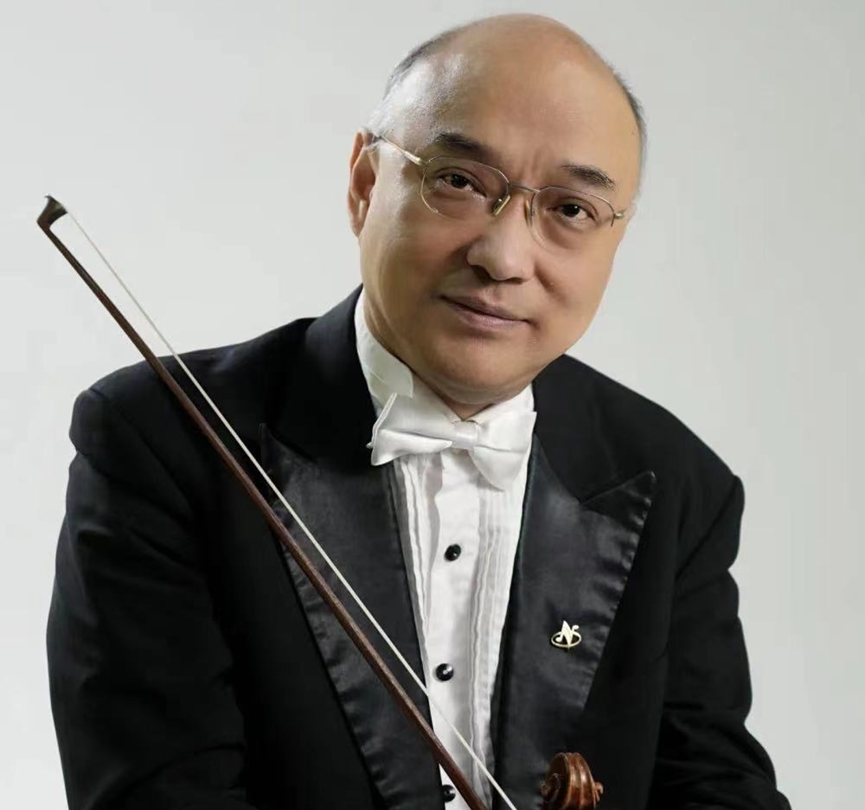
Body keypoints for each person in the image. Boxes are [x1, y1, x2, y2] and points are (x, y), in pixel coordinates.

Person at [47, 12, 790, 810]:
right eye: (459, 182)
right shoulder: (165, 439)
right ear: (365, 185)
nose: (503, 257)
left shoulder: (677, 483)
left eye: (571, 209)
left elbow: (715, 789)